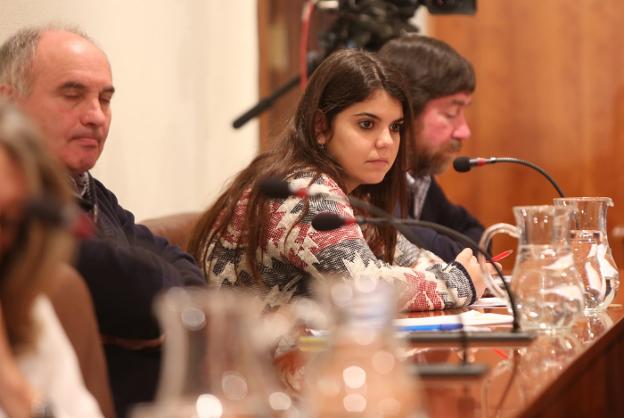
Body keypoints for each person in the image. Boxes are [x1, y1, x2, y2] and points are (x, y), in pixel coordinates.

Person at [0, 25, 206, 417]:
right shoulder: (28, 218)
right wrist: (162, 312)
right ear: (8, 104)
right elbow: (139, 292)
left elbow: (185, 276)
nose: (96, 116)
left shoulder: (91, 192)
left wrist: (164, 309)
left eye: (105, 99)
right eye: (72, 94)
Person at [188, 49, 485, 312]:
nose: (386, 141)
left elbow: (412, 258)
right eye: (366, 124)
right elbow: (365, 286)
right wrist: (458, 282)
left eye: (395, 127)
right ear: (321, 126)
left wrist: (452, 274)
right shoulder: (302, 191)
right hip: (254, 368)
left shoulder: (352, 194)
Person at [0, 100, 103, 418]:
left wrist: (14, 388)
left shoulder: (27, 312)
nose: (96, 116)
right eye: (71, 95)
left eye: (5, 221)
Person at [378, 34, 485, 261]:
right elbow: (424, 254)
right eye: (451, 113)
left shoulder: (418, 178)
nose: (464, 131)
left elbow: (479, 235)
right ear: (404, 112)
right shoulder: (370, 184)